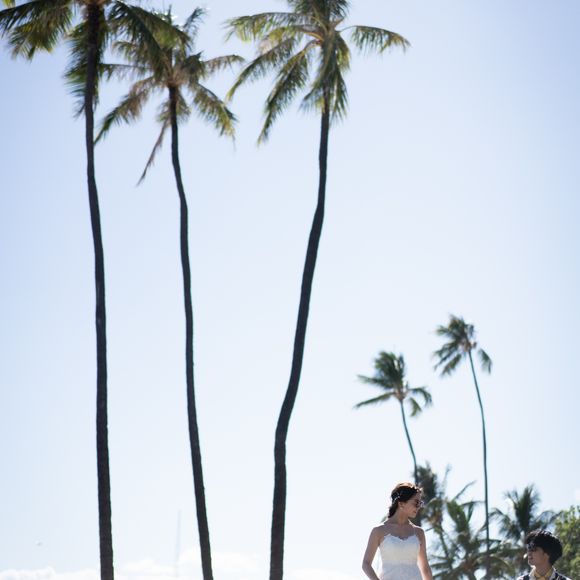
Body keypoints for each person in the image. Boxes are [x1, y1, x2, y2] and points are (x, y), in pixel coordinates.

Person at [362, 482, 433, 580]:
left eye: (420, 503)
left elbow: (425, 569)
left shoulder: (419, 532)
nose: (418, 506)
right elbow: (366, 564)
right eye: (416, 502)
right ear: (401, 503)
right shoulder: (378, 531)